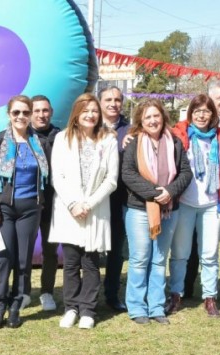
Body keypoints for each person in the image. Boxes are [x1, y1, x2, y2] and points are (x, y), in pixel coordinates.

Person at [50, 93, 118, 329]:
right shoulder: (62, 138)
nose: (91, 115)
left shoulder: (108, 139)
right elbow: (57, 176)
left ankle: (88, 309)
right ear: (76, 114)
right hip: (69, 210)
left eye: (94, 111)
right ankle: (70, 308)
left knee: (90, 262)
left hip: (95, 210)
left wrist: (88, 204)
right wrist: (72, 204)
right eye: (86, 110)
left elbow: (111, 179)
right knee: (70, 263)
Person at [0, 95, 50, 329]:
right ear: (9, 114)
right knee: (3, 258)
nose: (21, 117)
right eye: (16, 113)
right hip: (3, 211)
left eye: (25, 112)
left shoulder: (40, 142)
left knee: (23, 260)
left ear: (31, 115)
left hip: (30, 209)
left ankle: (15, 305)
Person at [121, 99, 192, 325]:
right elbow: (128, 175)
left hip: (169, 210)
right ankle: (137, 307)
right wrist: (155, 193)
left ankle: (156, 307)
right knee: (140, 259)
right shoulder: (134, 143)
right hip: (140, 209)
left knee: (159, 260)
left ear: (163, 117)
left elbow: (185, 173)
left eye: (156, 116)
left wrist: (169, 192)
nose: (153, 120)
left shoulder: (175, 142)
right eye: (148, 117)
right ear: (141, 121)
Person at [166, 95, 220, 318]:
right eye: (197, 111)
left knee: (210, 253)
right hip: (185, 202)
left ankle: (210, 297)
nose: (202, 115)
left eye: (206, 111)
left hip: (212, 204)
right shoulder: (179, 135)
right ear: (190, 113)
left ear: (213, 114)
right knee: (180, 253)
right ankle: (176, 294)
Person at [184, 80, 220, 303]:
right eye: (219, 98)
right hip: (196, 198)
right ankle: (186, 289)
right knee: (191, 249)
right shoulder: (186, 129)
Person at [99, 86, 131, 312]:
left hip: (120, 198)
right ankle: (86, 294)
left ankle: (112, 294)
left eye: (117, 99)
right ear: (100, 102)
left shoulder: (130, 129)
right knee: (88, 249)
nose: (113, 103)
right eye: (108, 99)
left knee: (116, 250)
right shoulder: (89, 126)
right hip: (94, 198)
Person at [30, 95, 61, 311]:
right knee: (23, 250)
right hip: (27, 201)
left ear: (51, 112)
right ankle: (21, 292)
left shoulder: (61, 136)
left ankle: (47, 292)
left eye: (45, 110)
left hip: (54, 202)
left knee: (50, 251)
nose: (42, 115)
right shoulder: (22, 137)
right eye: (37, 111)